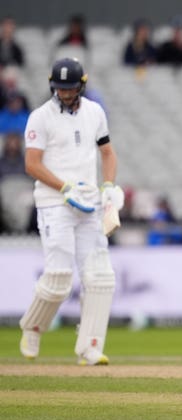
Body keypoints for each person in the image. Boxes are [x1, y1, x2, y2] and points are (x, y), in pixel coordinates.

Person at [19, 57, 125, 365]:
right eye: (60, 88)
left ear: (81, 86)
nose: (64, 93)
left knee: (101, 277)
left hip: (89, 204)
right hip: (55, 203)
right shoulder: (40, 117)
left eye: (70, 88)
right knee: (59, 277)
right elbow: (32, 164)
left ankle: (89, 347)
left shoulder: (94, 112)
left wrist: (107, 186)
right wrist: (64, 188)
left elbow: (107, 152)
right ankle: (33, 327)